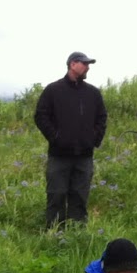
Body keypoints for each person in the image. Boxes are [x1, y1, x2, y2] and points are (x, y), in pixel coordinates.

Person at [33, 50, 107, 228]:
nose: (88, 67)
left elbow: (102, 118)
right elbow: (40, 116)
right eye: (84, 63)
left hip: (84, 156)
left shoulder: (93, 93)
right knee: (56, 195)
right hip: (59, 156)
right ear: (72, 64)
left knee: (80, 196)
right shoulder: (53, 90)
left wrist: (94, 139)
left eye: (89, 64)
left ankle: (77, 233)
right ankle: (54, 233)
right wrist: (56, 137)